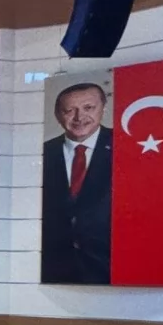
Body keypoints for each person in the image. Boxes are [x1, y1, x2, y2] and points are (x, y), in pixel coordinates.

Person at [42, 82, 112, 285]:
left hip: (111, 270)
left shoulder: (128, 145)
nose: (79, 117)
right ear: (58, 115)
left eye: (88, 108)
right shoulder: (43, 153)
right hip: (53, 273)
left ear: (103, 108)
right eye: (69, 111)